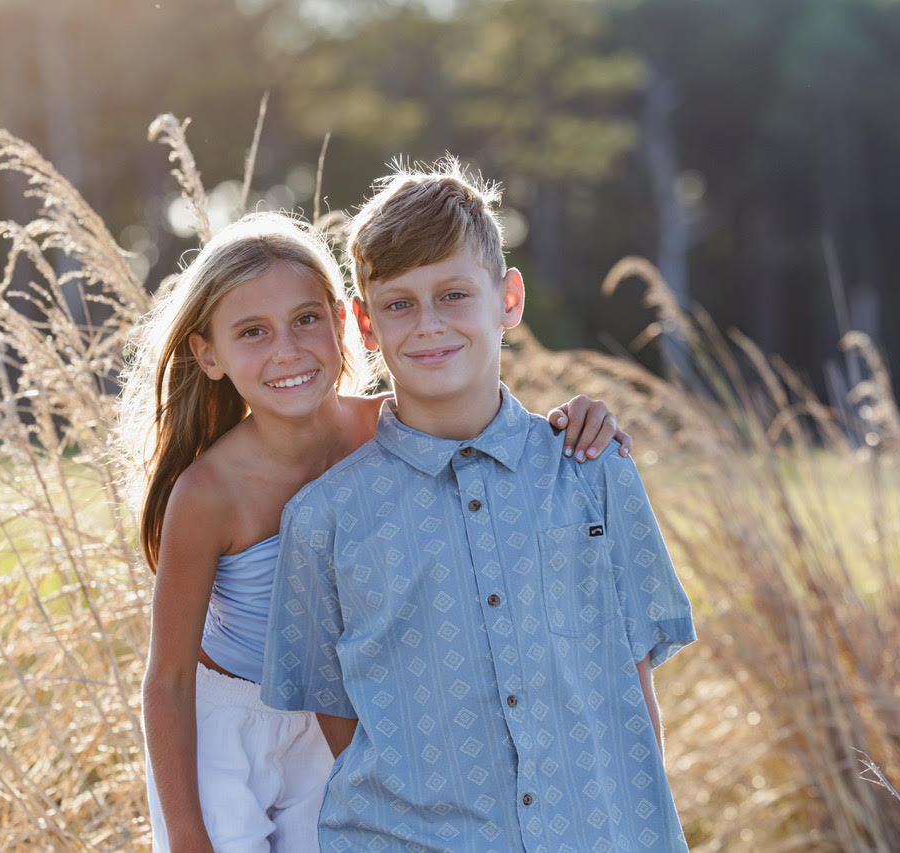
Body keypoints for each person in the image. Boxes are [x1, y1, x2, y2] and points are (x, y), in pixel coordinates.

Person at [116, 210, 635, 853]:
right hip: (227, 728)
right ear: (209, 354)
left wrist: (575, 422)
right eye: (253, 332)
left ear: (343, 323)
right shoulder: (208, 493)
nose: (287, 350)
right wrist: (186, 834)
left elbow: (488, 446)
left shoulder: (386, 434)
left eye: (306, 319)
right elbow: (167, 679)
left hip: (339, 715)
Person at [261, 161, 696, 852]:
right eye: (399, 305)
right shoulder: (324, 519)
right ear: (365, 325)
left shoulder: (593, 470)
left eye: (454, 294)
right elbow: (336, 713)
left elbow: (633, 689)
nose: (428, 325)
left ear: (508, 299)